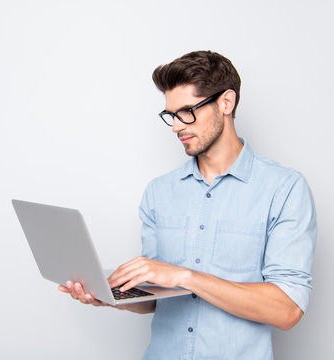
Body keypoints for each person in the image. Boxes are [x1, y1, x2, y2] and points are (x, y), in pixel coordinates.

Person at [59, 50, 316, 359]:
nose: (176, 126)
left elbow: (287, 309)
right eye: (171, 115)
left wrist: (185, 276)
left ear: (226, 102)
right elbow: (153, 297)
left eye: (187, 111)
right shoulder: (159, 191)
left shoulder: (285, 189)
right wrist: (111, 296)